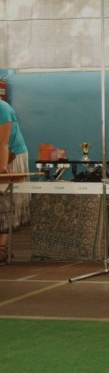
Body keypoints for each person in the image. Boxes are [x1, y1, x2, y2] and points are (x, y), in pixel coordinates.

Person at [0, 99, 30, 265]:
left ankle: (2, 249)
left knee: (7, 202)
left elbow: (2, 142)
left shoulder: (3, 109)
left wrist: (3, 168)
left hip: (13, 156)